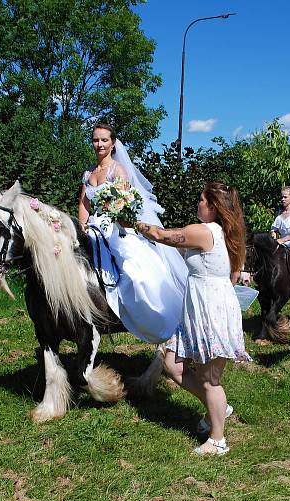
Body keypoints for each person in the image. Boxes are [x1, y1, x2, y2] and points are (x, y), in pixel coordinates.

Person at [135, 182, 251, 456]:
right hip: (202, 306)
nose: (197, 204)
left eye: (201, 200)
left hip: (210, 309)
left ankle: (218, 440)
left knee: (211, 379)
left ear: (213, 206)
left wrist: (134, 222)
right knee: (172, 363)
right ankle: (218, 408)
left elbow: (161, 235)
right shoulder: (224, 234)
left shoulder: (204, 231)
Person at [78, 123, 188, 343]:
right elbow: (84, 202)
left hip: (114, 226)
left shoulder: (117, 170)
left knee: (133, 272)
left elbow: (122, 205)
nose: (99, 144)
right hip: (92, 226)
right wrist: (82, 224)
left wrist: (107, 219)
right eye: (95, 140)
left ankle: (146, 316)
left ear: (112, 143)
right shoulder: (89, 173)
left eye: (103, 140)